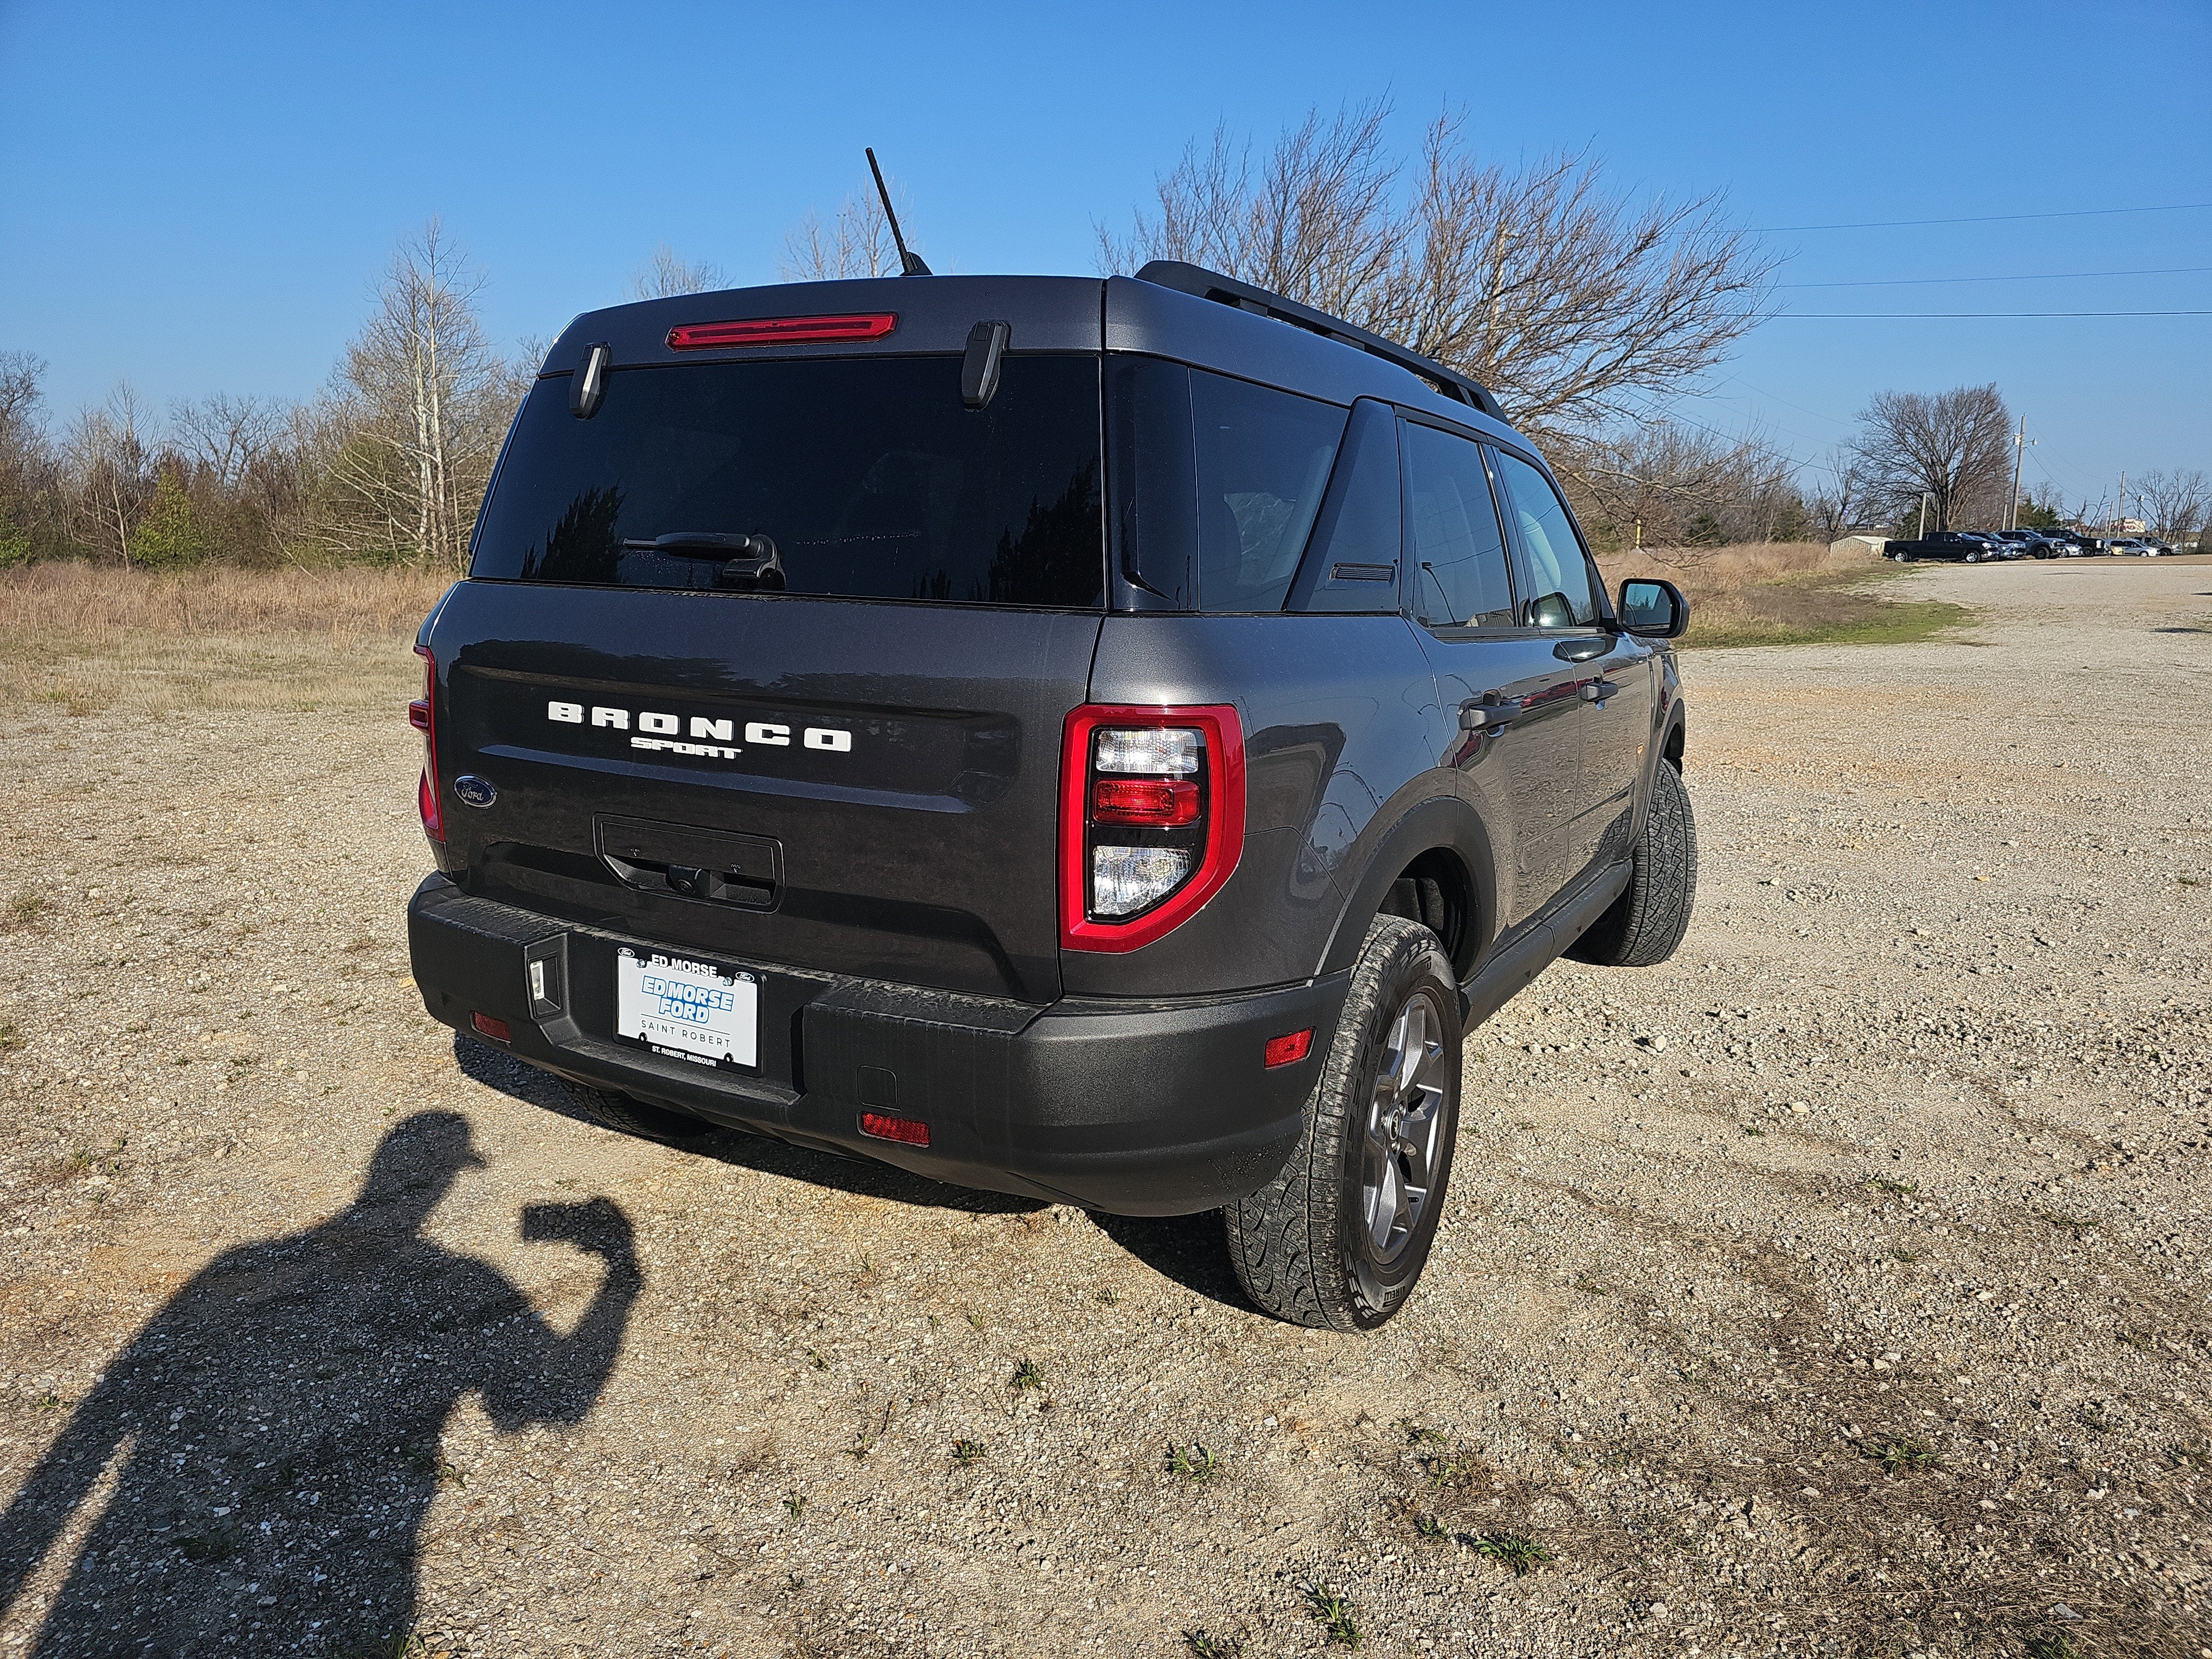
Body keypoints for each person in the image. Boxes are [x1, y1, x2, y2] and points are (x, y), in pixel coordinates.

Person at [0, 1111, 639, 1656]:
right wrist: (620, 1276)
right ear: (445, 1180)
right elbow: (560, 1400)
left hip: (120, 1569)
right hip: (354, 1569)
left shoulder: (237, 1265)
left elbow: (100, 1423)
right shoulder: (465, 1277)